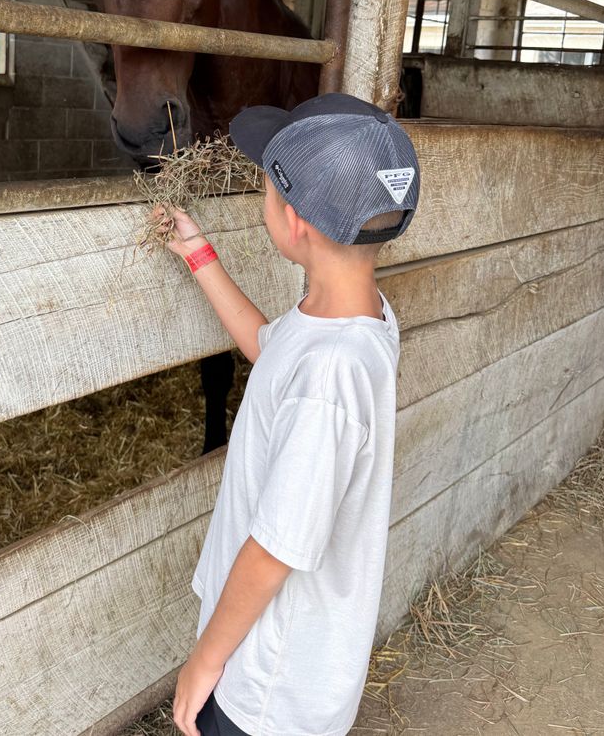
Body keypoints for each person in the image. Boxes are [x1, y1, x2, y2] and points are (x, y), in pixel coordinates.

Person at [159, 92, 421, 736]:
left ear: (293, 220)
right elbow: (269, 349)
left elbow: (275, 549)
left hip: (265, 687)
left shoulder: (329, 378)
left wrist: (204, 662)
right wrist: (200, 256)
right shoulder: (354, 318)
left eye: (267, 190)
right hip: (278, 658)